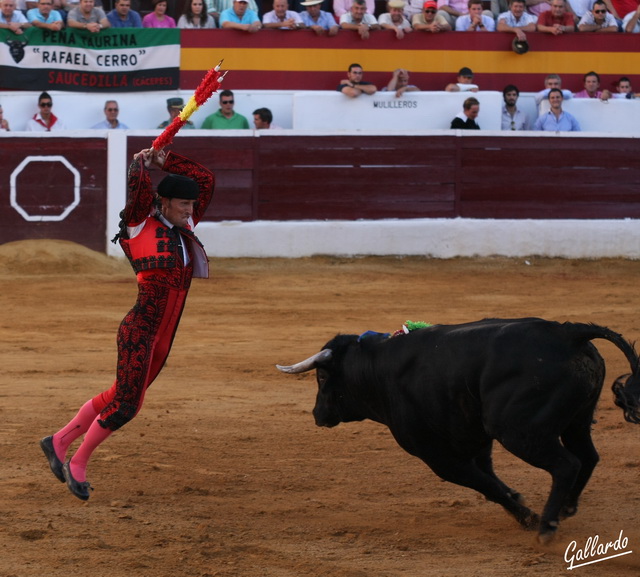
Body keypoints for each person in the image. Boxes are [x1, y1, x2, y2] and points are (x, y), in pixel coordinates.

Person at [40, 147, 214, 501]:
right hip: (140, 331)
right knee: (129, 405)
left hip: (164, 338)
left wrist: (166, 161)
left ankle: (57, 441)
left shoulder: (185, 227)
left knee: (120, 394)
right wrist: (141, 162)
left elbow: (205, 181)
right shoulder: (139, 225)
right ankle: (78, 463)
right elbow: (137, 186)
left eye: (191, 206)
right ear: (162, 202)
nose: (190, 210)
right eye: (183, 204)